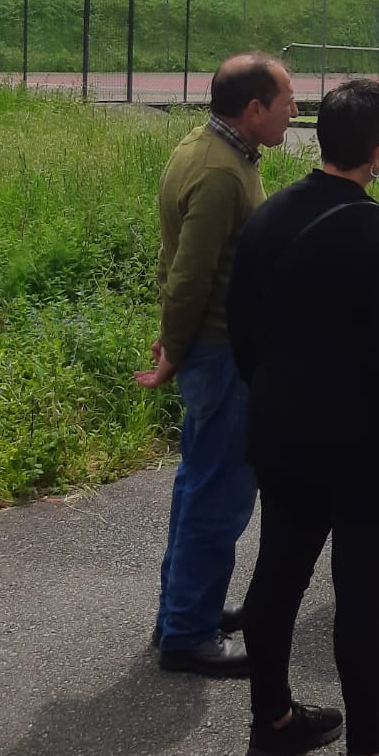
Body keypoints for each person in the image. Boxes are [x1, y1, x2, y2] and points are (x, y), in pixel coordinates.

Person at [226, 79, 379, 756]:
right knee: (360, 599)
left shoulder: (270, 214)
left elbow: (241, 327)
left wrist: (275, 392)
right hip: (366, 448)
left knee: (277, 576)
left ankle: (273, 721)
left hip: (283, 432)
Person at [137, 53, 297, 676]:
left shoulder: (205, 149)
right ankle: (187, 633)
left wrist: (175, 339)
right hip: (221, 352)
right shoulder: (222, 173)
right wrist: (174, 348)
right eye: (286, 102)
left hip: (211, 347)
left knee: (197, 484)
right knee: (218, 495)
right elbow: (189, 273)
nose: (294, 112)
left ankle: (183, 608)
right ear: (253, 109)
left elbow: (179, 260)